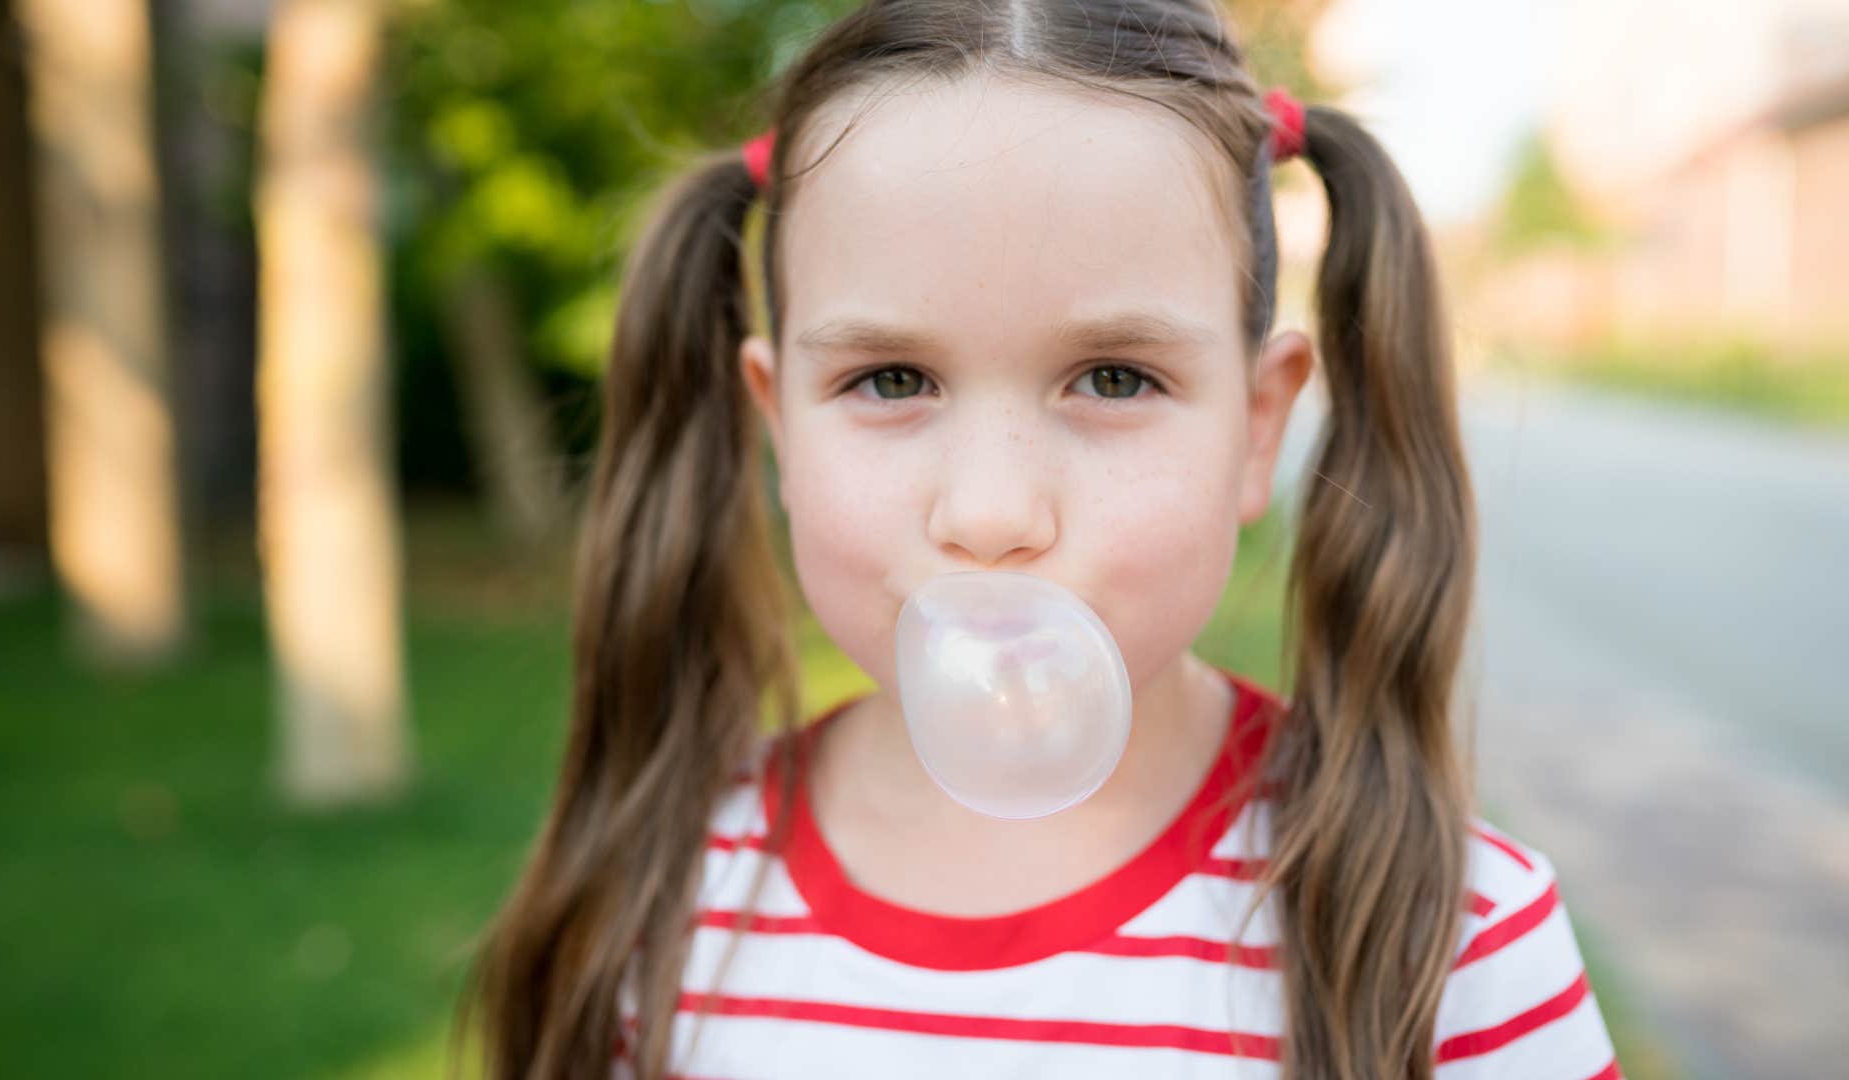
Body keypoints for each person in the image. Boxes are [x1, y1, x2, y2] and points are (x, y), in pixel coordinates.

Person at [460, 2, 1623, 1077]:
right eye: (890, 378)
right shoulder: (656, 905)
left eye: (1114, 378)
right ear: (778, 427)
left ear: (1258, 426)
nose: (992, 514)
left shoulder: (1456, 944)